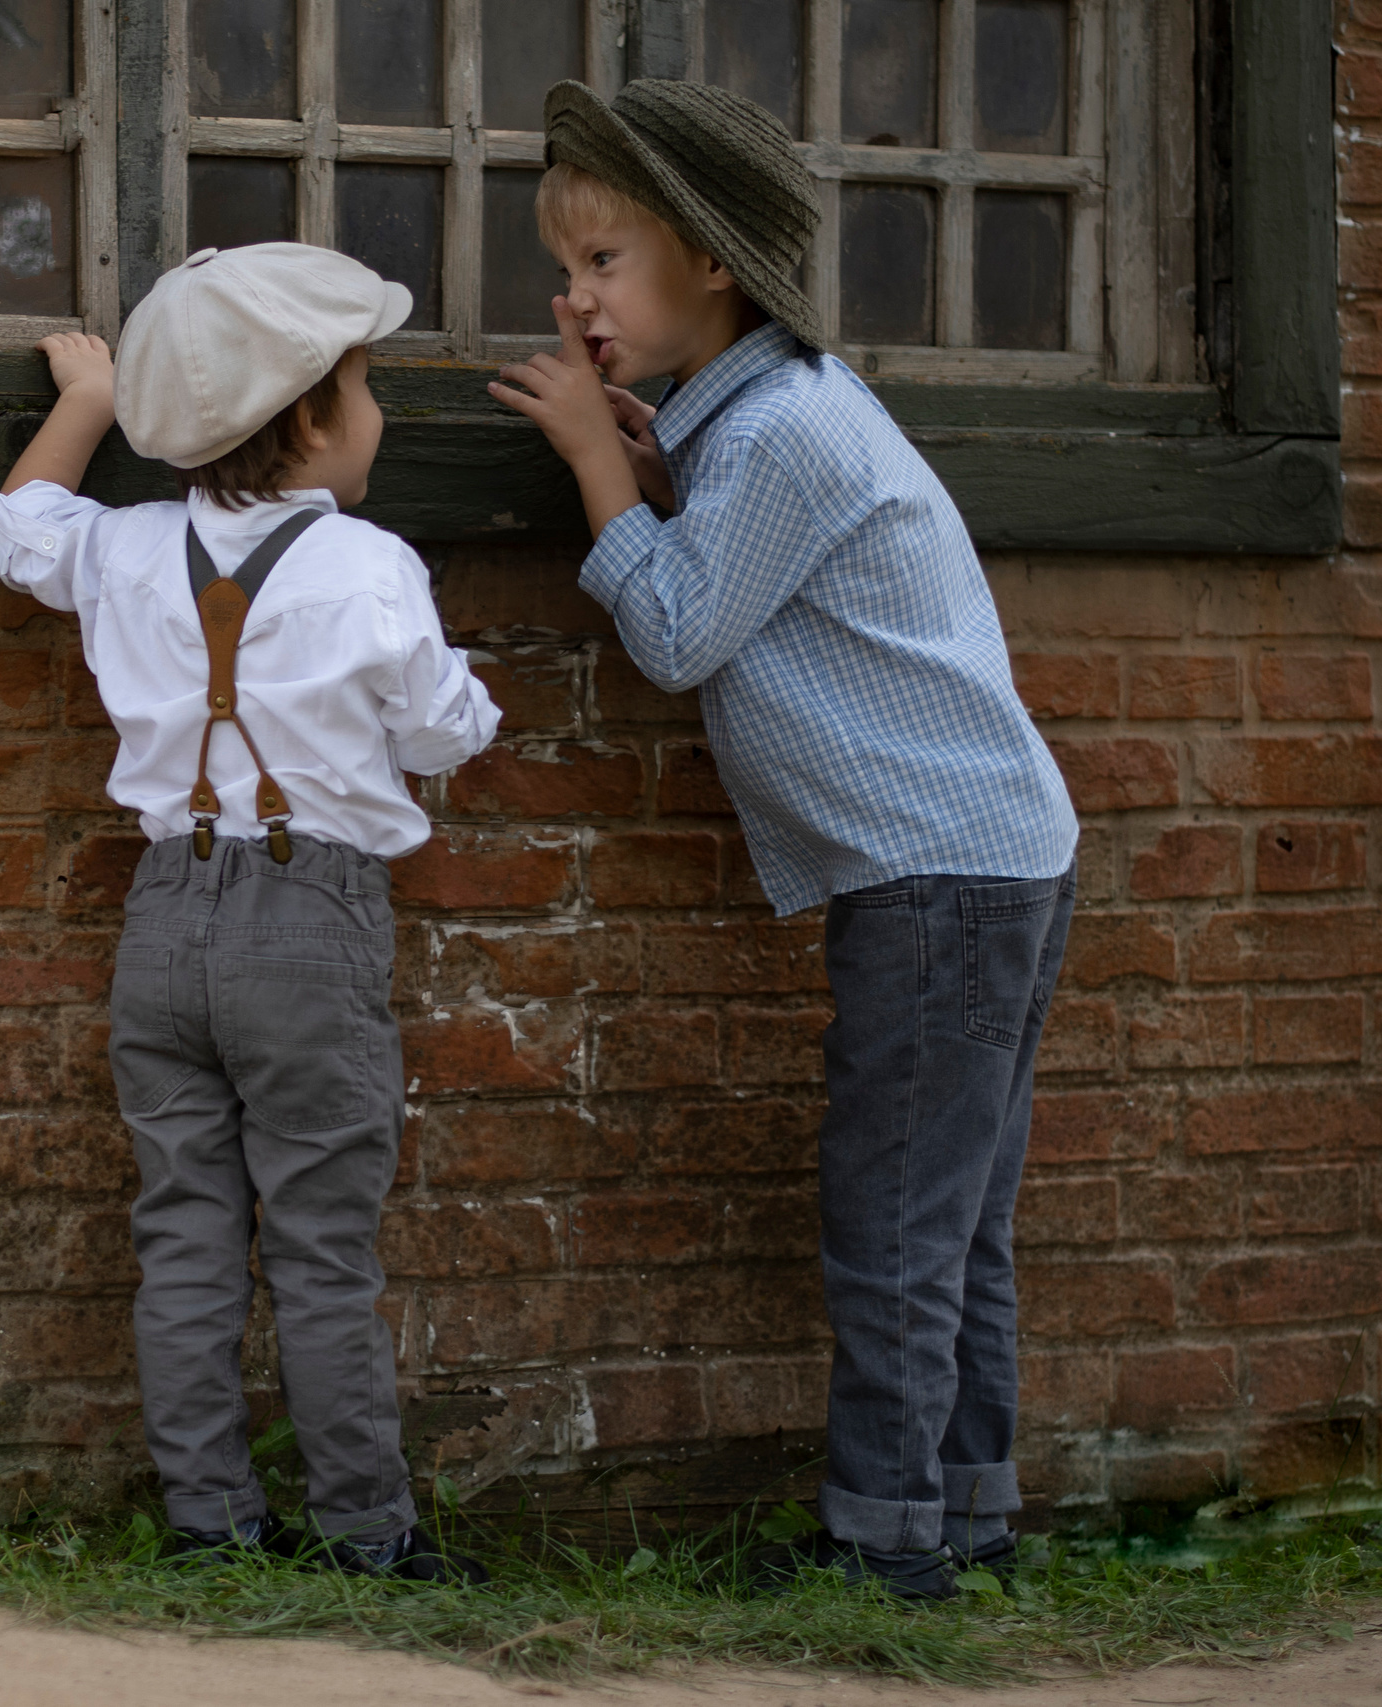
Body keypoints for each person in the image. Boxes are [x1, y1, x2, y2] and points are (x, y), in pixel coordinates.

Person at [488, 80, 1079, 1602]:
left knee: (894, 1211)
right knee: (952, 1219)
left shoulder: (791, 432)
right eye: (567, 269)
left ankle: (887, 1554)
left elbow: (682, 627)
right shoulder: (762, 417)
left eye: (605, 265)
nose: (573, 299)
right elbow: (733, 545)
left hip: (941, 873)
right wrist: (655, 457)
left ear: (715, 267)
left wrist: (599, 471)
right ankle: (966, 1515)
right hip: (975, 856)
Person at [0, 244, 501, 1582]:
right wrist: (464, 703)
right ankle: (368, 1536)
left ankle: (209, 1525)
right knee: (322, 1244)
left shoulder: (127, 549)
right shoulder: (370, 566)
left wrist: (85, 399)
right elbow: (443, 736)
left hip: (162, 921)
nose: (375, 417)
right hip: (308, 922)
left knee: (185, 1234)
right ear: (316, 417)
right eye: (368, 390)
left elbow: (16, 531)